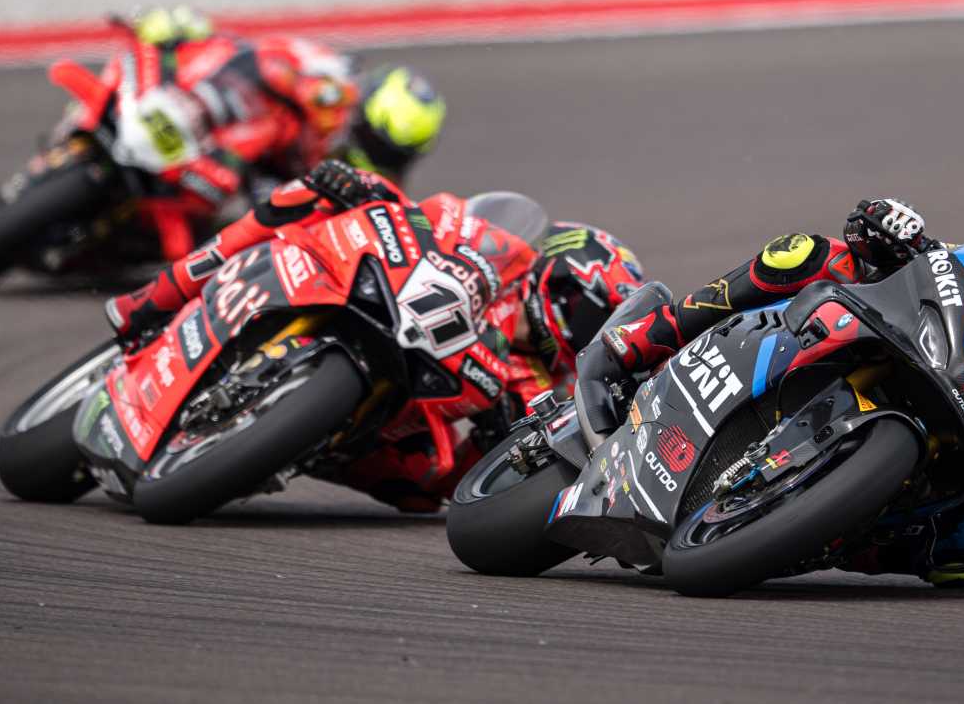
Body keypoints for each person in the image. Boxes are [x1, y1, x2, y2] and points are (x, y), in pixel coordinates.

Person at [577, 198, 964, 587]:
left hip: (958, 448)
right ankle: (647, 336)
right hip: (919, 344)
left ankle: (807, 537)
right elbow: (956, 267)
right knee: (808, 253)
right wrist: (895, 231)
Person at [101, 156, 645, 513]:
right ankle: (153, 298)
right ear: (558, 273)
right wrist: (362, 188)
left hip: (400, 406)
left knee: (425, 484)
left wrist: (499, 440)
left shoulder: (537, 380)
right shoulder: (497, 250)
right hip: (378, 292)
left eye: (595, 326)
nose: (582, 331)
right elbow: (432, 217)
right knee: (306, 197)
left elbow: (496, 465)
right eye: (586, 313)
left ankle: (289, 446)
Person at [122, 7, 447, 193]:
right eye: (377, 143)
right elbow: (266, 56)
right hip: (227, 117)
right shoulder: (330, 89)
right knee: (182, 27)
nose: (380, 156)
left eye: (393, 154)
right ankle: (159, 81)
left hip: (260, 183)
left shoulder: (378, 182)